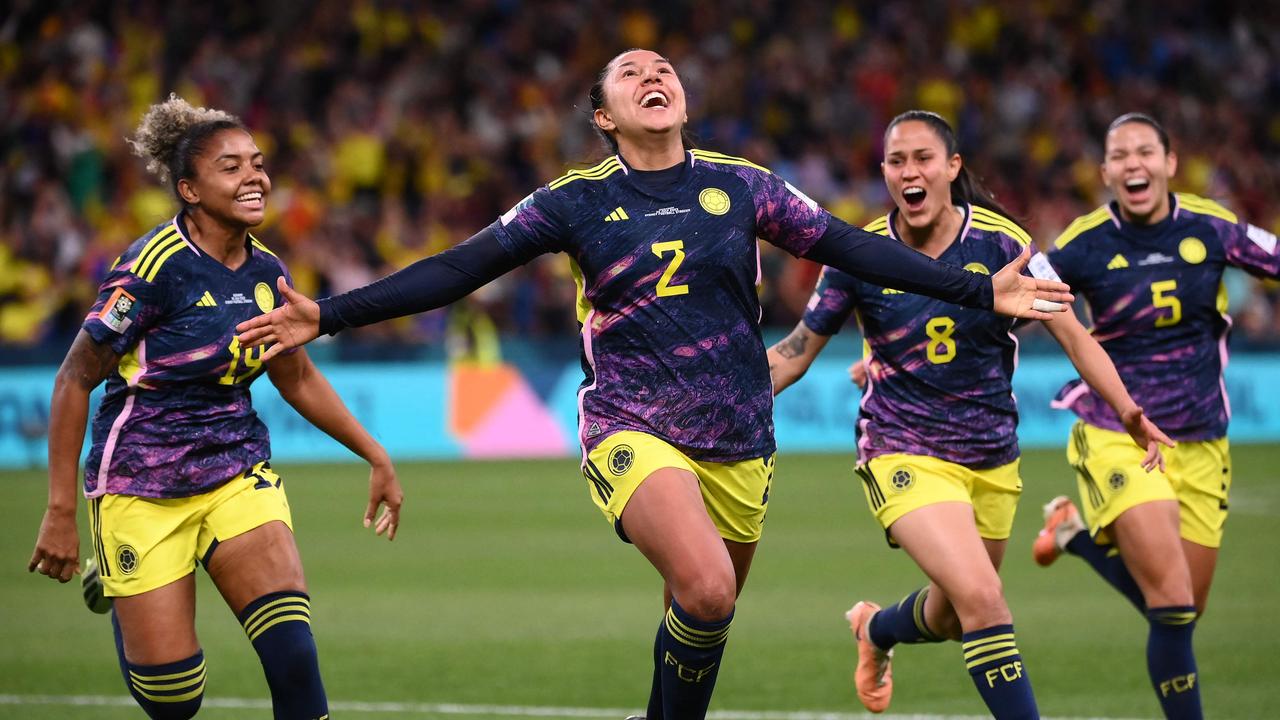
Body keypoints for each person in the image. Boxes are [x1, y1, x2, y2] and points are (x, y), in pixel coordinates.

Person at [235, 50, 1071, 719]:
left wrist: (975, 286)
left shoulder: (742, 186)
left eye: (664, 69)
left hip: (740, 435)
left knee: (704, 611)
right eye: (631, 74)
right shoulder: (575, 200)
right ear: (605, 117)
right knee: (706, 587)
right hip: (631, 425)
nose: (654, 76)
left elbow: (850, 246)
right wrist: (333, 313)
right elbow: (462, 266)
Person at [766, 110, 1171, 719]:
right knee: (985, 600)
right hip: (900, 446)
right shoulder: (859, 254)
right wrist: (708, 397)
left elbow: (1076, 336)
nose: (911, 171)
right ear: (885, 173)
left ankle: (876, 631)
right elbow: (794, 355)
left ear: (952, 168)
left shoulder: (1004, 245)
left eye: (924, 158)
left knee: (957, 613)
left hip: (990, 455)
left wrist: (1129, 410)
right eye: (898, 161)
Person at [27, 95, 403, 720]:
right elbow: (74, 379)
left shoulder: (267, 273)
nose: (254, 177)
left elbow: (298, 376)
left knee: (293, 659)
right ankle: (119, 592)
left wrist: (375, 453)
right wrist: (61, 511)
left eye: (257, 163)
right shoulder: (152, 268)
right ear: (189, 190)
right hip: (139, 486)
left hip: (235, 472)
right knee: (175, 699)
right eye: (231, 167)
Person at [1030, 113, 1280, 720]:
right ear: (1106, 172)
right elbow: (1012, 296)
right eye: (1120, 155)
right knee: (1170, 602)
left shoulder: (1212, 226)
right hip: (1118, 427)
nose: (1133, 164)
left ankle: (1075, 537)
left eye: (1146, 152)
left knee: (1183, 610)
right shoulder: (1083, 243)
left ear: (1171, 163)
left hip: (1201, 437)